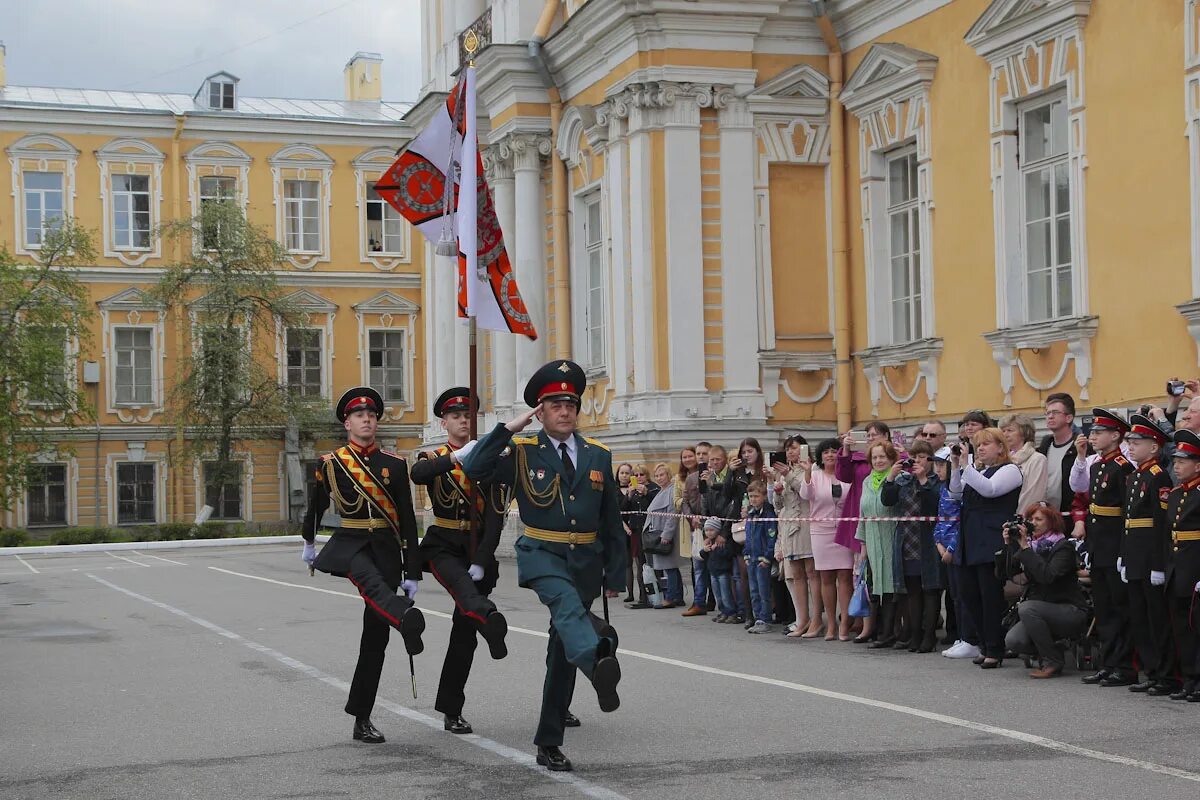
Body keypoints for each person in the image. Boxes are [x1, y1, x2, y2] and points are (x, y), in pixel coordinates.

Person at [460, 360, 626, 773]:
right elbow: (473, 467)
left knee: (561, 651)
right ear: (540, 410)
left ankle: (549, 742)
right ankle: (597, 664)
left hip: (585, 559)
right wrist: (508, 428)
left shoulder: (598, 456)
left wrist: (616, 574)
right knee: (568, 609)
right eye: (554, 404)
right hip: (541, 554)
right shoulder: (520, 451)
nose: (565, 411)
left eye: (570, 403)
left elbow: (610, 520)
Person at [301, 387, 424, 744]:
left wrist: (411, 571)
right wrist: (308, 542)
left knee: (375, 639)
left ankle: (361, 717)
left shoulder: (396, 465)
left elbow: (406, 520)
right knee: (370, 583)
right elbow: (316, 506)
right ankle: (403, 615)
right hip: (352, 545)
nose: (366, 420)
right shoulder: (331, 463)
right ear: (347, 422)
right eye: (359, 415)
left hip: (386, 548)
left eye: (371, 415)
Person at [410, 387, 509, 735]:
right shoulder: (433, 456)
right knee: (467, 595)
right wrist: (457, 458)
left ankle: (452, 709)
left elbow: (496, 515)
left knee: (462, 635)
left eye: (468, 415)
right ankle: (489, 617)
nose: (463, 421)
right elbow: (418, 477)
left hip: (478, 546)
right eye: (455, 416)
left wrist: (483, 558)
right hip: (444, 545)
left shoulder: (493, 459)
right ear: (443, 421)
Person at [1070, 408, 1137, 687]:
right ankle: (1109, 664)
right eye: (1093, 432)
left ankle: (1124, 666)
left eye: (1099, 432)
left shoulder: (1124, 468)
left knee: (1120, 609)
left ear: (1115, 435)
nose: (1093, 437)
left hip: (1115, 546)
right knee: (1104, 608)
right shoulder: (1098, 465)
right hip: (1099, 545)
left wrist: (1124, 551)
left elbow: (1127, 514)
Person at [949, 427, 1022, 668]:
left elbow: (990, 490)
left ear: (1001, 447)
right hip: (970, 539)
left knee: (990, 596)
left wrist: (968, 465)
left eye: (985, 444)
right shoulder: (978, 471)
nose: (980, 448)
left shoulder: (1010, 470)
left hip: (991, 540)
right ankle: (983, 643)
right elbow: (956, 493)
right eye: (978, 445)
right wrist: (956, 466)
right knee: (969, 595)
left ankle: (995, 647)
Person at [1119, 414, 1176, 695]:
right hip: (1135, 555)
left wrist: (1157, 564)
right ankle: (1152, 671)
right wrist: (1124, 556)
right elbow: (1127, 521)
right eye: (1129, 441)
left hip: (1150, 556)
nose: (1130, 446)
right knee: (1140, 617)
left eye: (1137, 442)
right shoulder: (1135, 475)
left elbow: (1160, 524)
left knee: (1157, 619)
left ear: (1154, 447)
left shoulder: (1158, 476)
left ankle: (1166, 675)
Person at [1002, 504, 1088, 678]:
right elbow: (1005, 574)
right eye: (1031, 519)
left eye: (1039, 519)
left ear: (1052, 522)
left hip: (1069, 610)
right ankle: (1055, 648)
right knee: (1013, 640)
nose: (1034, 523)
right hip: (1040, 610)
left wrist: (1026, 549)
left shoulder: (1063, 547)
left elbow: (1048, 576)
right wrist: (1010, 546)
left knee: (1027, 608)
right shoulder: (1031, 545)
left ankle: (1052, 661)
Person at [881, 440, 944, 652]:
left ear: (930, 460)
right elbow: (887, 500)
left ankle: (929, 635)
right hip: (907, 540)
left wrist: (923, 479)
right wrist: (891, 476)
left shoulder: (936, 481)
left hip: (928, 541)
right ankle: (915, 635)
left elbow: (933, 504)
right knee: (913, 591)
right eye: (914, 457)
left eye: (922, 457)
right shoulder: (904, 481)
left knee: (931, 590)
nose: (917, 461)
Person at [801, 439, 854, 640]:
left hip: (843, 529)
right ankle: (830, 624)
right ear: (820, 456)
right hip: (820, 531)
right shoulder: (815, 475)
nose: (830, 455)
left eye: (834, 451)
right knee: (826, 578)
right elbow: (806, 495)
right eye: (826, 452)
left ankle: (844, 625)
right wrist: (806, 472)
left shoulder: (846, 475)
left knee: (845, 577)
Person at [773, 435, 823, 638]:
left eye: (794, 448)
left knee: (812, 572)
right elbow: (778, 506)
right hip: (788, 527)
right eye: (787, 449)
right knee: (796, 573)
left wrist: (790, 477)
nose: (790, 452)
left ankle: (817, 619)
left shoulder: (812, 469)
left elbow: (806, 494)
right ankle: (802, 619)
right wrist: (776, 490)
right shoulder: (784, 473)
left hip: (806, 523)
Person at [856, 440, 904, 648]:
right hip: (873, 543)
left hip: (892, 538)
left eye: (882, 456)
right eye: (874, 457)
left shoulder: (899, 479)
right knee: (876, 587)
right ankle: (880, 631)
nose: (878, 461)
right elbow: (862, 515)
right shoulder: (867, 481)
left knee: (892, 586)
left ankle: (892, 632)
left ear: (892, 458)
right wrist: (863, 547)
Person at [1165, 430, 1200, 701]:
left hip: (1195, 566)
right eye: (1175, 461)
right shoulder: (1177, 494)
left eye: (1182, 461)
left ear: (1197, 465)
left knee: (1196, 625)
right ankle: (1189, 677)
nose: (1176, 465)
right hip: (1179, 568)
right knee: (1182, 626)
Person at [644, 463, 685, 608]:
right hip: (658, 533)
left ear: (668, 475)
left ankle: (671, 597)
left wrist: (667, 534)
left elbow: (672, 514)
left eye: (662, 475)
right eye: (657, 476)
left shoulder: (672, 490)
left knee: (670, 567)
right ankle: (678, 596)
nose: (659, 478)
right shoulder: (661, 491)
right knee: (670, 567)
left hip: (665, 534)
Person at [681, 442, 713, 617]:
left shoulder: (714, 476)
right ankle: (699, 602)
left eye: (704, 453)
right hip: (697, 527)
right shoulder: (691, 478)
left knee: (715, 568)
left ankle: (715, 601)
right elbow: (685, 501)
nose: (700, 456)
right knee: (698, 566)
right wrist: (691, 517)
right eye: (698, 453)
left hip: (713, 526)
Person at [742, 479, 778, 633]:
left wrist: (767, 557)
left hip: (762, 559)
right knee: (753, 590)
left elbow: (771, 537)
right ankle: (757, 618)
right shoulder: (751, 514)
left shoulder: (768, 514)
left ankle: (765, 619)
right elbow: (748, 536)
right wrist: (746, 554)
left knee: (764, 591)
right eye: (751, 496)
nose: (753, 499)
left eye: (756, 496)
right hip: (751, 557)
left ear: (764, 496)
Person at [1038, 393, 1082, 515]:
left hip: (1070, 514)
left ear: (1069, 418)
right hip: (1047, 515)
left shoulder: (1079, 446)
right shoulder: (1045, 444)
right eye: (1047, 413)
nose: (1050, 417)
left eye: (1055, 412)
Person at [622, 464, 656, 609]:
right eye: (635, 475)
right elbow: (623, 509)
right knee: (639, 564)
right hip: (636, 531)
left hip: (649, 530)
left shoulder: (653, 488)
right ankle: (643, 596)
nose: (638, 478)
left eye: (641, 475)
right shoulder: (633, 491)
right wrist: (629, 496)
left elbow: (655, 504)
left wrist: (646, 492)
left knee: (649, 564)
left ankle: (652, 596)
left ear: (647, 476)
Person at [1001, 414, 1048, 512]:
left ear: (1024, 433)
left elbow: (1033, 495)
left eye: (1010, 430)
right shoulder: (1001, 459)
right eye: (1003, 431)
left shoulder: (1037, 459)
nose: (1005, 434)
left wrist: (1019, 519)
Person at [701, 517, 737, 622]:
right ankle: (723, 612)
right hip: (713, 572)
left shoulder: (722, 542)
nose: (709, 533)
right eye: (707, 530)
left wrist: (717, 549)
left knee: (726, 594)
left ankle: (731, 612)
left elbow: (728, 554)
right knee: (718, 595)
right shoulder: (709, 543)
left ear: (717, 530)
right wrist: (705, 550)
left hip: (723, 572)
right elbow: (703, 556)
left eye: (711, 530)